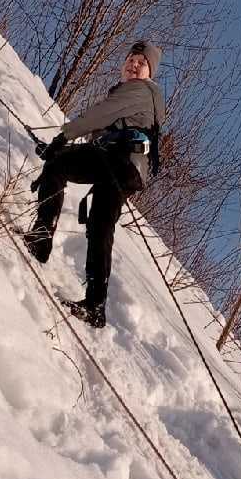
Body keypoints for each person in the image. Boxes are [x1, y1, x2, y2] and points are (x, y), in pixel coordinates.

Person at [24, 41, 166, 327]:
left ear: (150, 72)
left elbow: (98, 116)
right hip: (128, 168)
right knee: (100, 226)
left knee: (58, 165)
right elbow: (108, 127)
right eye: (130, 59)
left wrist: (63, 138)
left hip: (117, 161)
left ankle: (41, 238)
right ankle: (95, 305)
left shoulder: (139, 90)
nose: (133, 65)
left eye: (141, 62)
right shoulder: (147, 99)